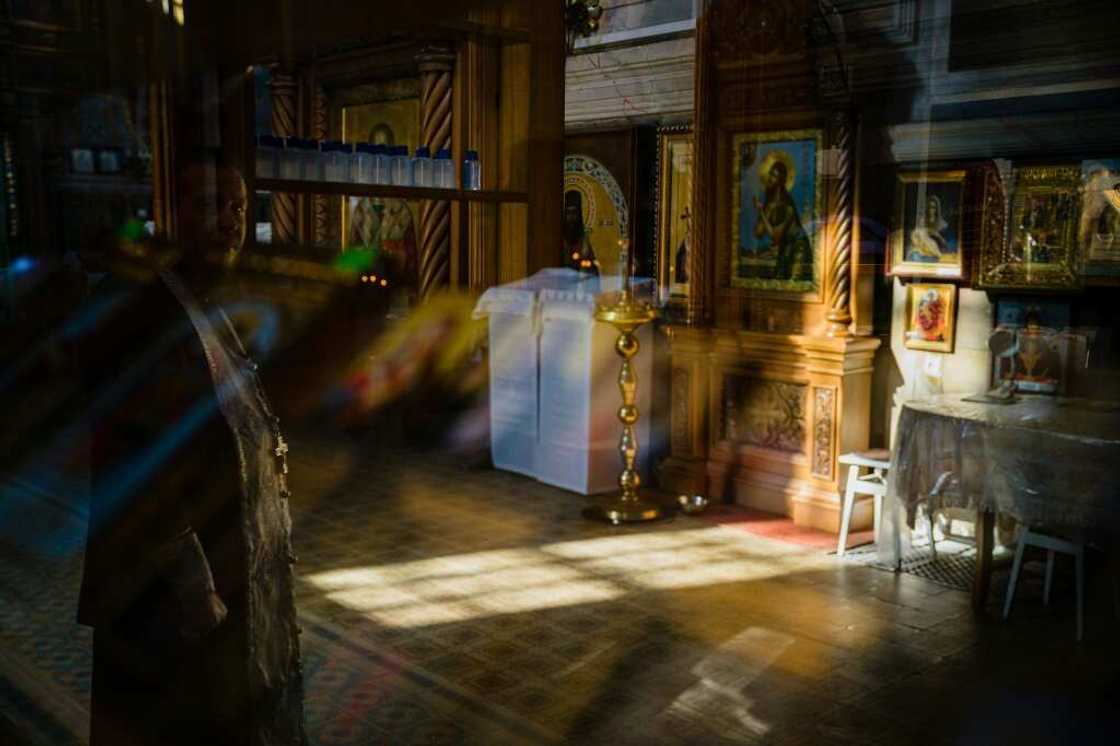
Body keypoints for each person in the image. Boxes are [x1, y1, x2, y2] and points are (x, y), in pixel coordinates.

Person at [78, 158, 306, 746]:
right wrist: (191, 582)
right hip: (163, 578)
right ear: (170, 213)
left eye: (237, 207)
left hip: (226, 553)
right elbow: (132, 457)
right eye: (209, 205)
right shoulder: (140, 306)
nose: (229, 222)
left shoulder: (206, 298)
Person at [348, 123, 418, 283]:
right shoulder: (361, 209)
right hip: (365, 291)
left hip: (394, 289)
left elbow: (411, 263)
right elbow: (350, 259)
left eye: (385, 150)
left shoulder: (402, 211)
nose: (380, 159)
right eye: (376, 150)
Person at [752, 160, 812, 281]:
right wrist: (762, 210)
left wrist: (762, 213)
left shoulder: (787, 204)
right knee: (777, 280)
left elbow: (775, 236)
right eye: (770, 174)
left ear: (780, 181)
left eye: (774, 176)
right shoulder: (769, 203)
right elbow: (758, 233)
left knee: (792, 282)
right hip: (785, 247)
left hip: (798, 246)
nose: (769, 178)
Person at [563, 189, 600, 275]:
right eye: (568, 212)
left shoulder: (584, 240)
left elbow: (592, 271)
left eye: (574, 212)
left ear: (579, 214)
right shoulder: (559, 238)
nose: (571, 217)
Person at [908, 194, 950, 262]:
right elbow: (917, 235)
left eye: (933, 207)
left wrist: (937, 235)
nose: (931, 210)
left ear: (937, 209)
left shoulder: (943, 224)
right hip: (922, 247)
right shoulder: (922, 221)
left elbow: (945, 243)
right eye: (929, 207)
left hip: (935, 248)